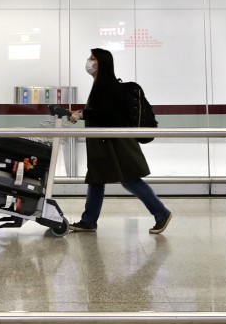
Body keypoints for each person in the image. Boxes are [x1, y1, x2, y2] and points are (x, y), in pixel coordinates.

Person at [68, 48, 172, 234]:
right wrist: (83, 113)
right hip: (106, 141)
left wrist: (82, 114)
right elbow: (102, 111)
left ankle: (161, 213)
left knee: (129, 180)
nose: (89, 62)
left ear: (102, 63)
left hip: (115, 142)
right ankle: (89, 220)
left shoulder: (106, 84)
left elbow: (105, 113)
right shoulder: (102, 83)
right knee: (97, 178)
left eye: (93, 59)